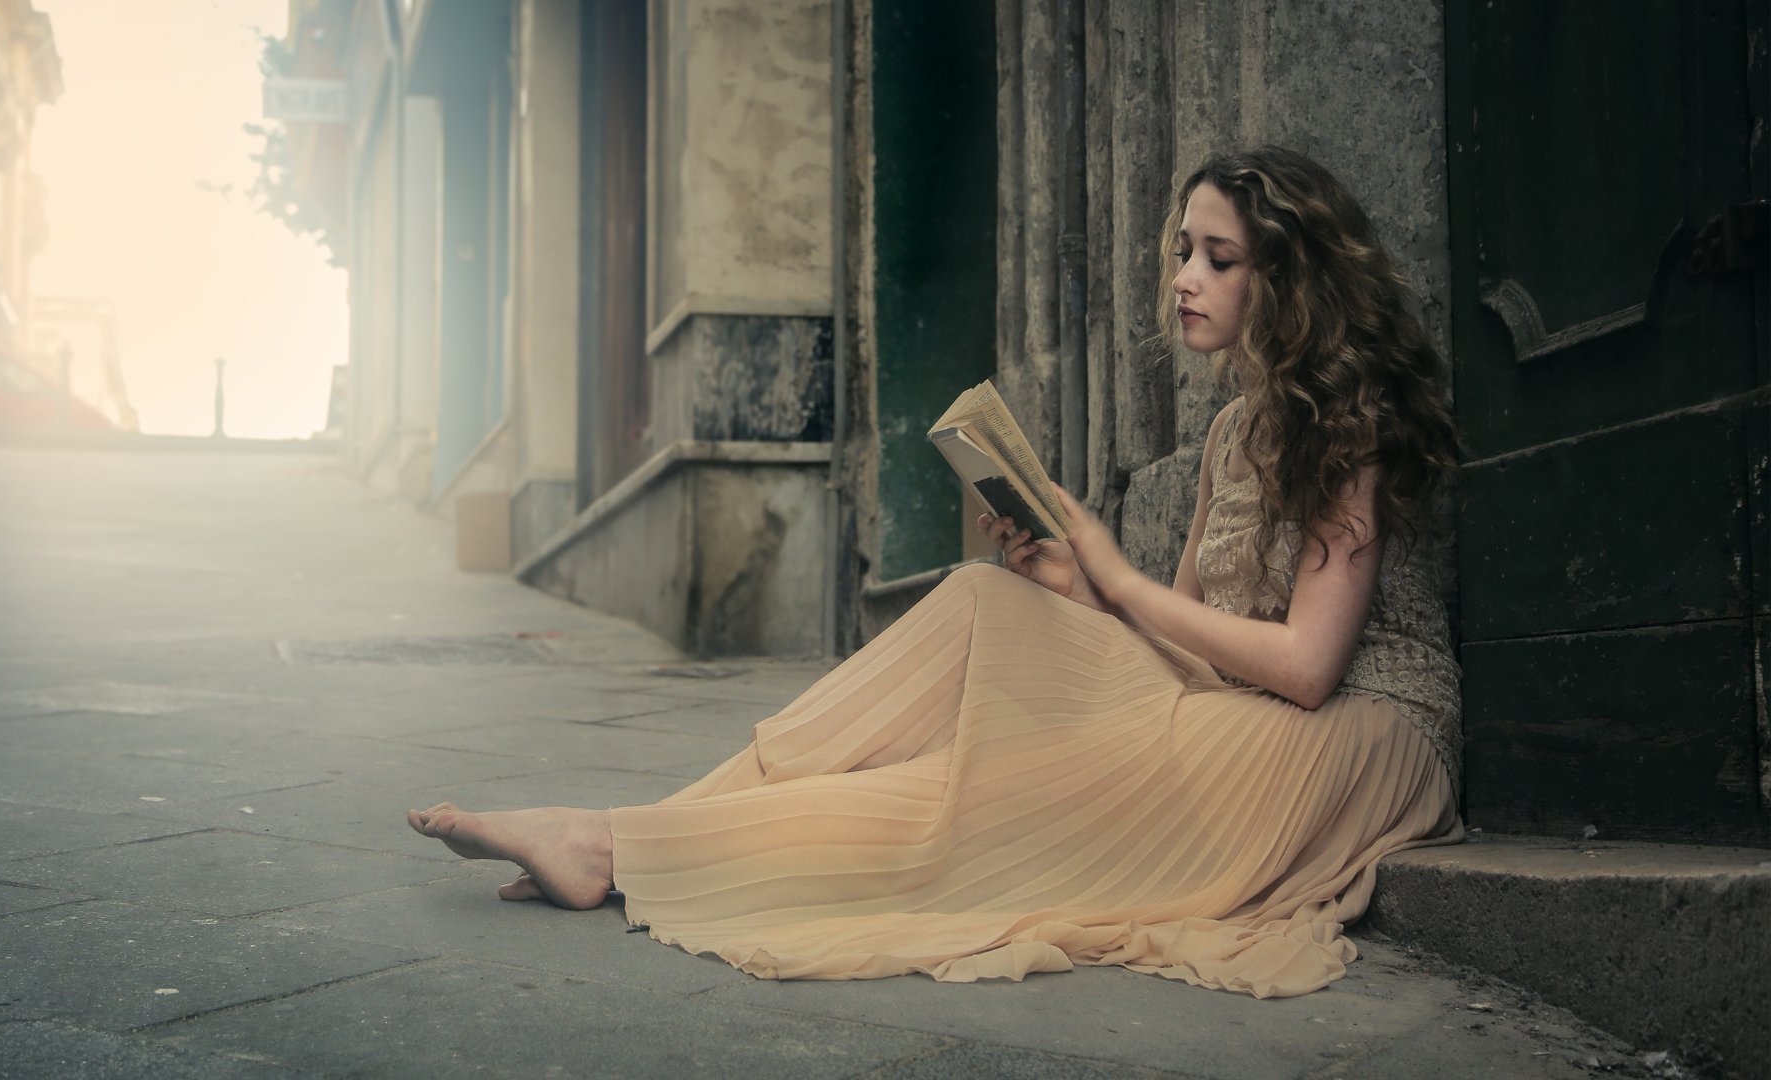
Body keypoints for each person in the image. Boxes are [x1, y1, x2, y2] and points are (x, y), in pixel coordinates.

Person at [407, 145, 1464, 998]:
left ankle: (619, 847)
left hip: (1360, 733)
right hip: (1236, 707)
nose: (1185, 278)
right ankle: (632, 836)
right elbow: (1181, 638)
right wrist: (1076, 587)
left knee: (997, 798)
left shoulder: (1348, 417)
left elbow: (1313, 665)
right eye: (1183, 250)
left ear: (1288, 277)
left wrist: (1118, 577)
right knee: (979, 605)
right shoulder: (1236, 427)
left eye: (1219, 259)